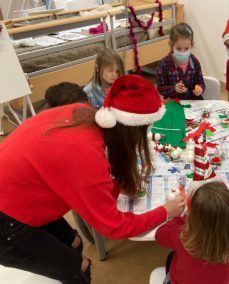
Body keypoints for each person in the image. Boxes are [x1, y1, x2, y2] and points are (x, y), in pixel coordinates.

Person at [0, 75, 186, 284]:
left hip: (18, 192)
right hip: (7, 222)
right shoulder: (84, 155)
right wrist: (165, 211)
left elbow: (77, 171)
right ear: (132, 130)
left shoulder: (86, 112)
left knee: (75, 242)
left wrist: (116, 186)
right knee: (80, 267)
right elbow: (114, 227)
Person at [156, 182, 229, 284]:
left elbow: (160, 234)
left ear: (193, 216)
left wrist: (182, 217)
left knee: (171, 258)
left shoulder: (182, 237)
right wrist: (225, 215)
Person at [156, 22, 206, 100]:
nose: (183, 52)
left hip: (193, 104)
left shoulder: (195, 62)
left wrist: (200, 89)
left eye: (186, 48)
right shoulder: (163, 65)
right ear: (171, 45)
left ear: (192, 45)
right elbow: (161, 89)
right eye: (178, 49)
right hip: (174, 104)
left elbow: (201, 83)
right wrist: (174, 89)